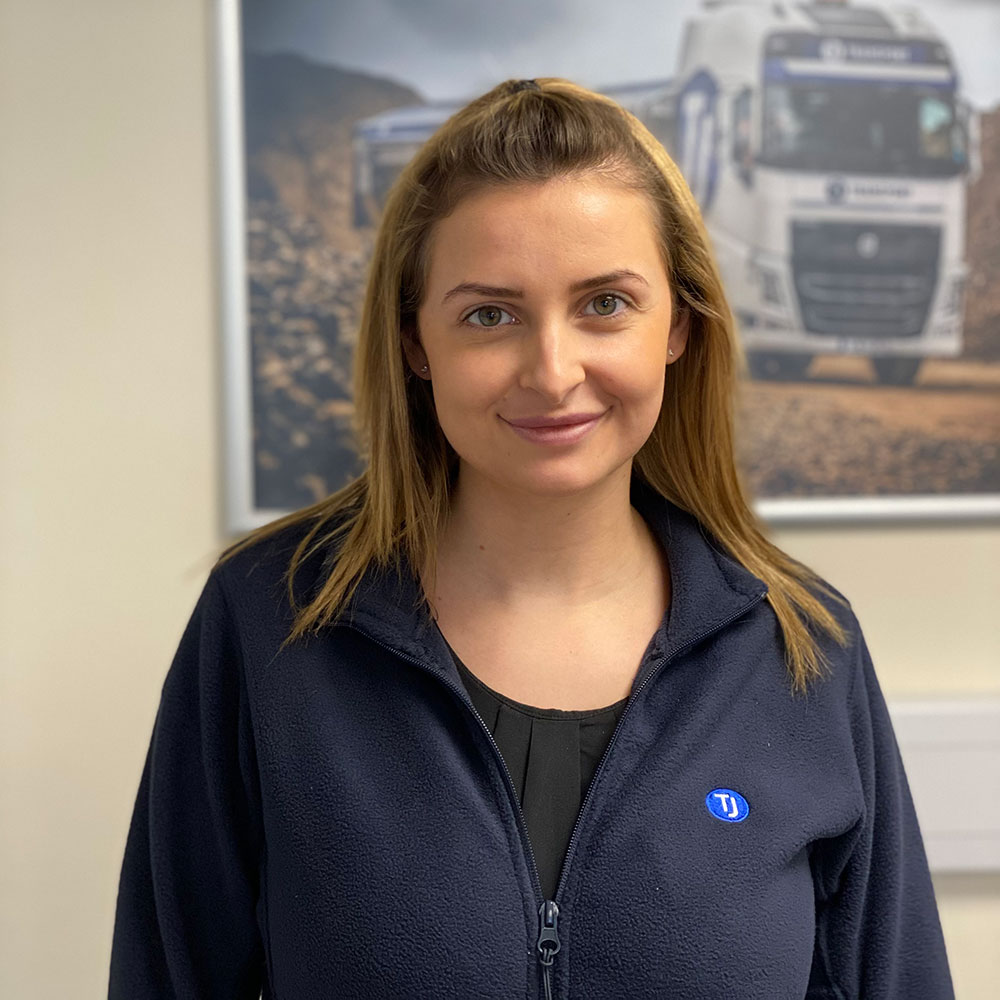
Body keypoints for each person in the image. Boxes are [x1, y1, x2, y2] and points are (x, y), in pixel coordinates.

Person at [108, 78, 954, 999]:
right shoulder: (269, 621)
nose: (553, 373)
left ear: (678, 324)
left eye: (605, 304)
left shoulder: (802, 646)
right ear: (416, 344)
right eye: (489, 315)